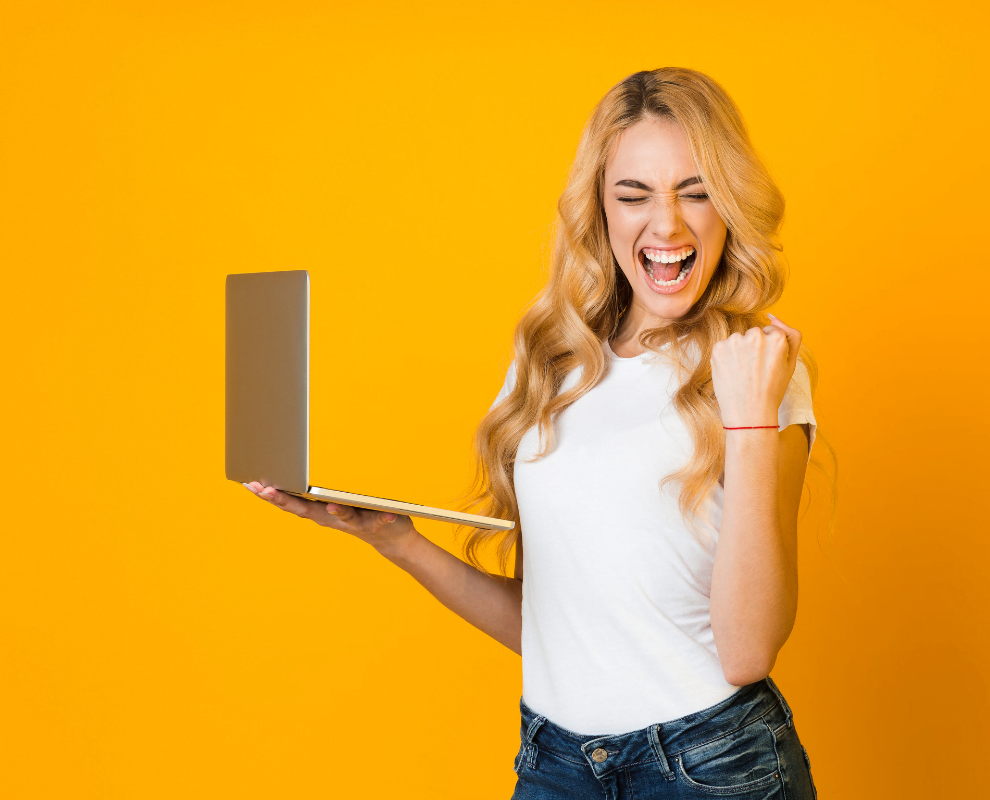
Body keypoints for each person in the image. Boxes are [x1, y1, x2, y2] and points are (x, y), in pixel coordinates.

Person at [245, 67, 820, 799]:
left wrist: (747, 418)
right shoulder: (550, 366)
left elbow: (748, 649)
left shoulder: (758, 372)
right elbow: (557, 629)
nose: (667, 226)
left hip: (711, 769)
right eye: (634, 195)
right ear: (600, 210)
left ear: (730, 205)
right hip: (555, 767)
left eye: (696, 191)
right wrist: (396, 540)